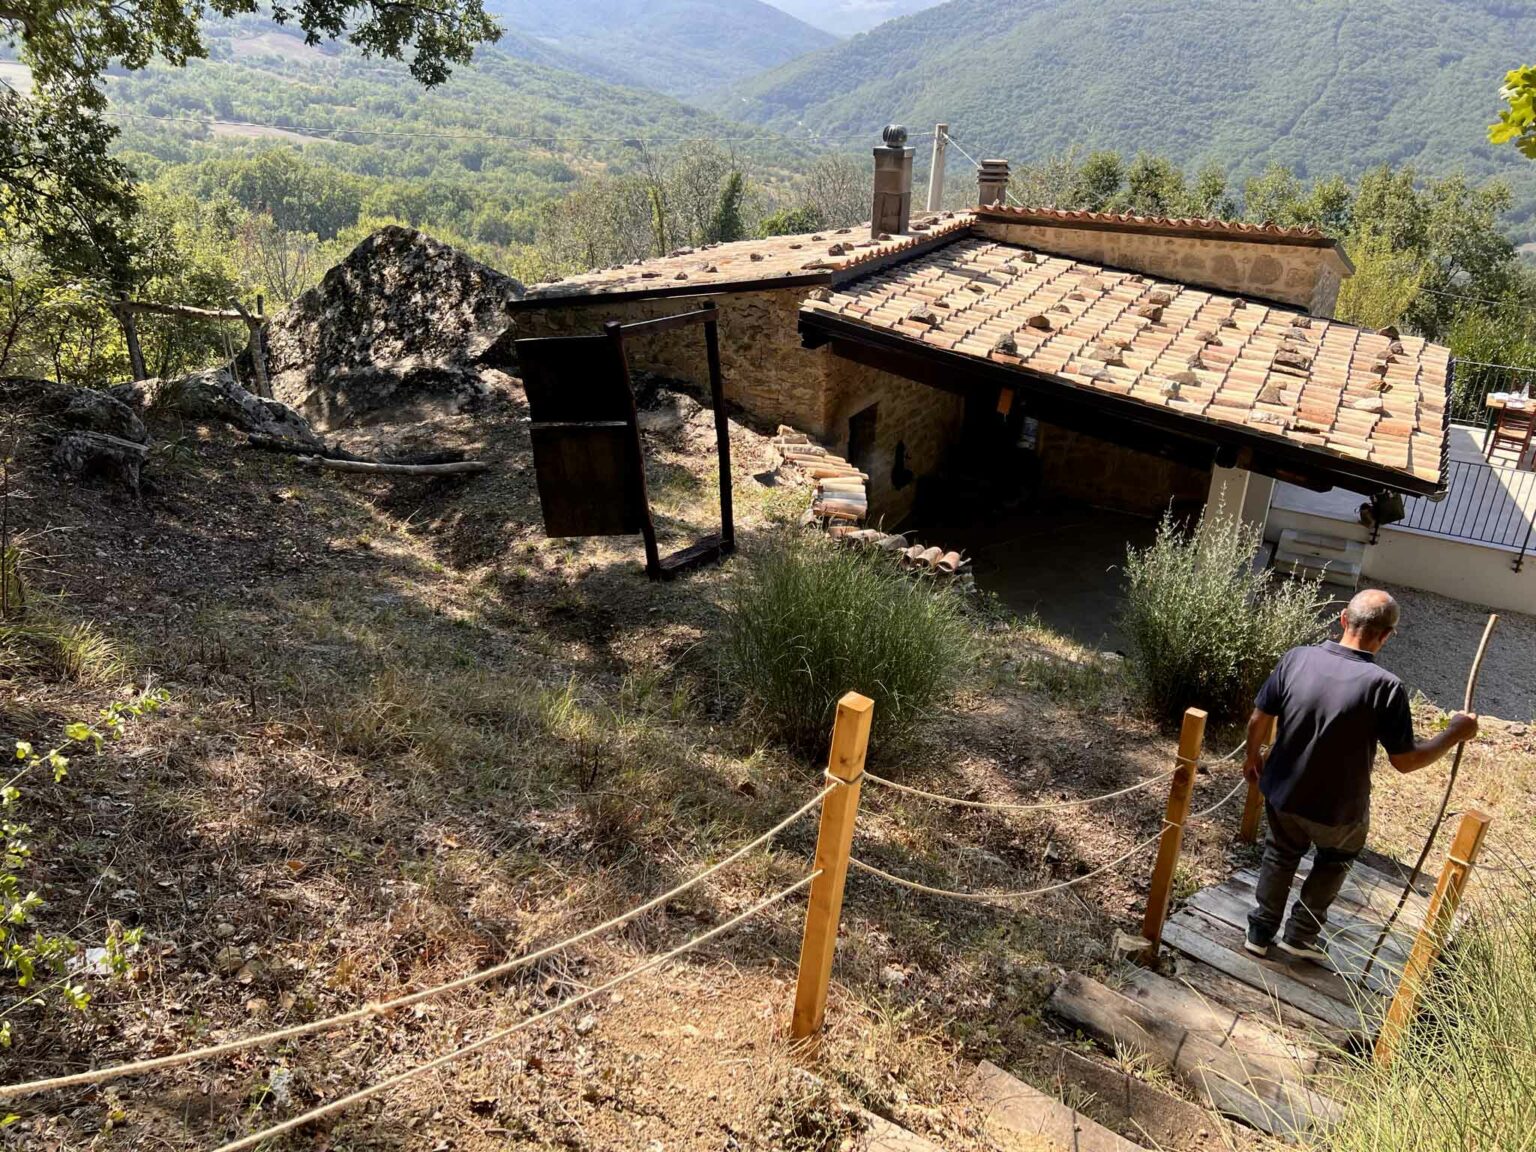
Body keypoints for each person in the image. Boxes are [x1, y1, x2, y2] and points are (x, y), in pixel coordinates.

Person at [1241, 588, 1477, 963]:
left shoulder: (1296, 658)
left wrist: (1252, 757)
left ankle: (1260, 931)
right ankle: (1300, 936)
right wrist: (1454, 733)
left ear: (1343, 620)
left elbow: (1258, 718)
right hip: (1339, 809)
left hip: (1283, 792)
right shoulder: (1386, 687)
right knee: (1334, 860)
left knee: (1280, 854)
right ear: (1385, 636)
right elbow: (1406, 761)